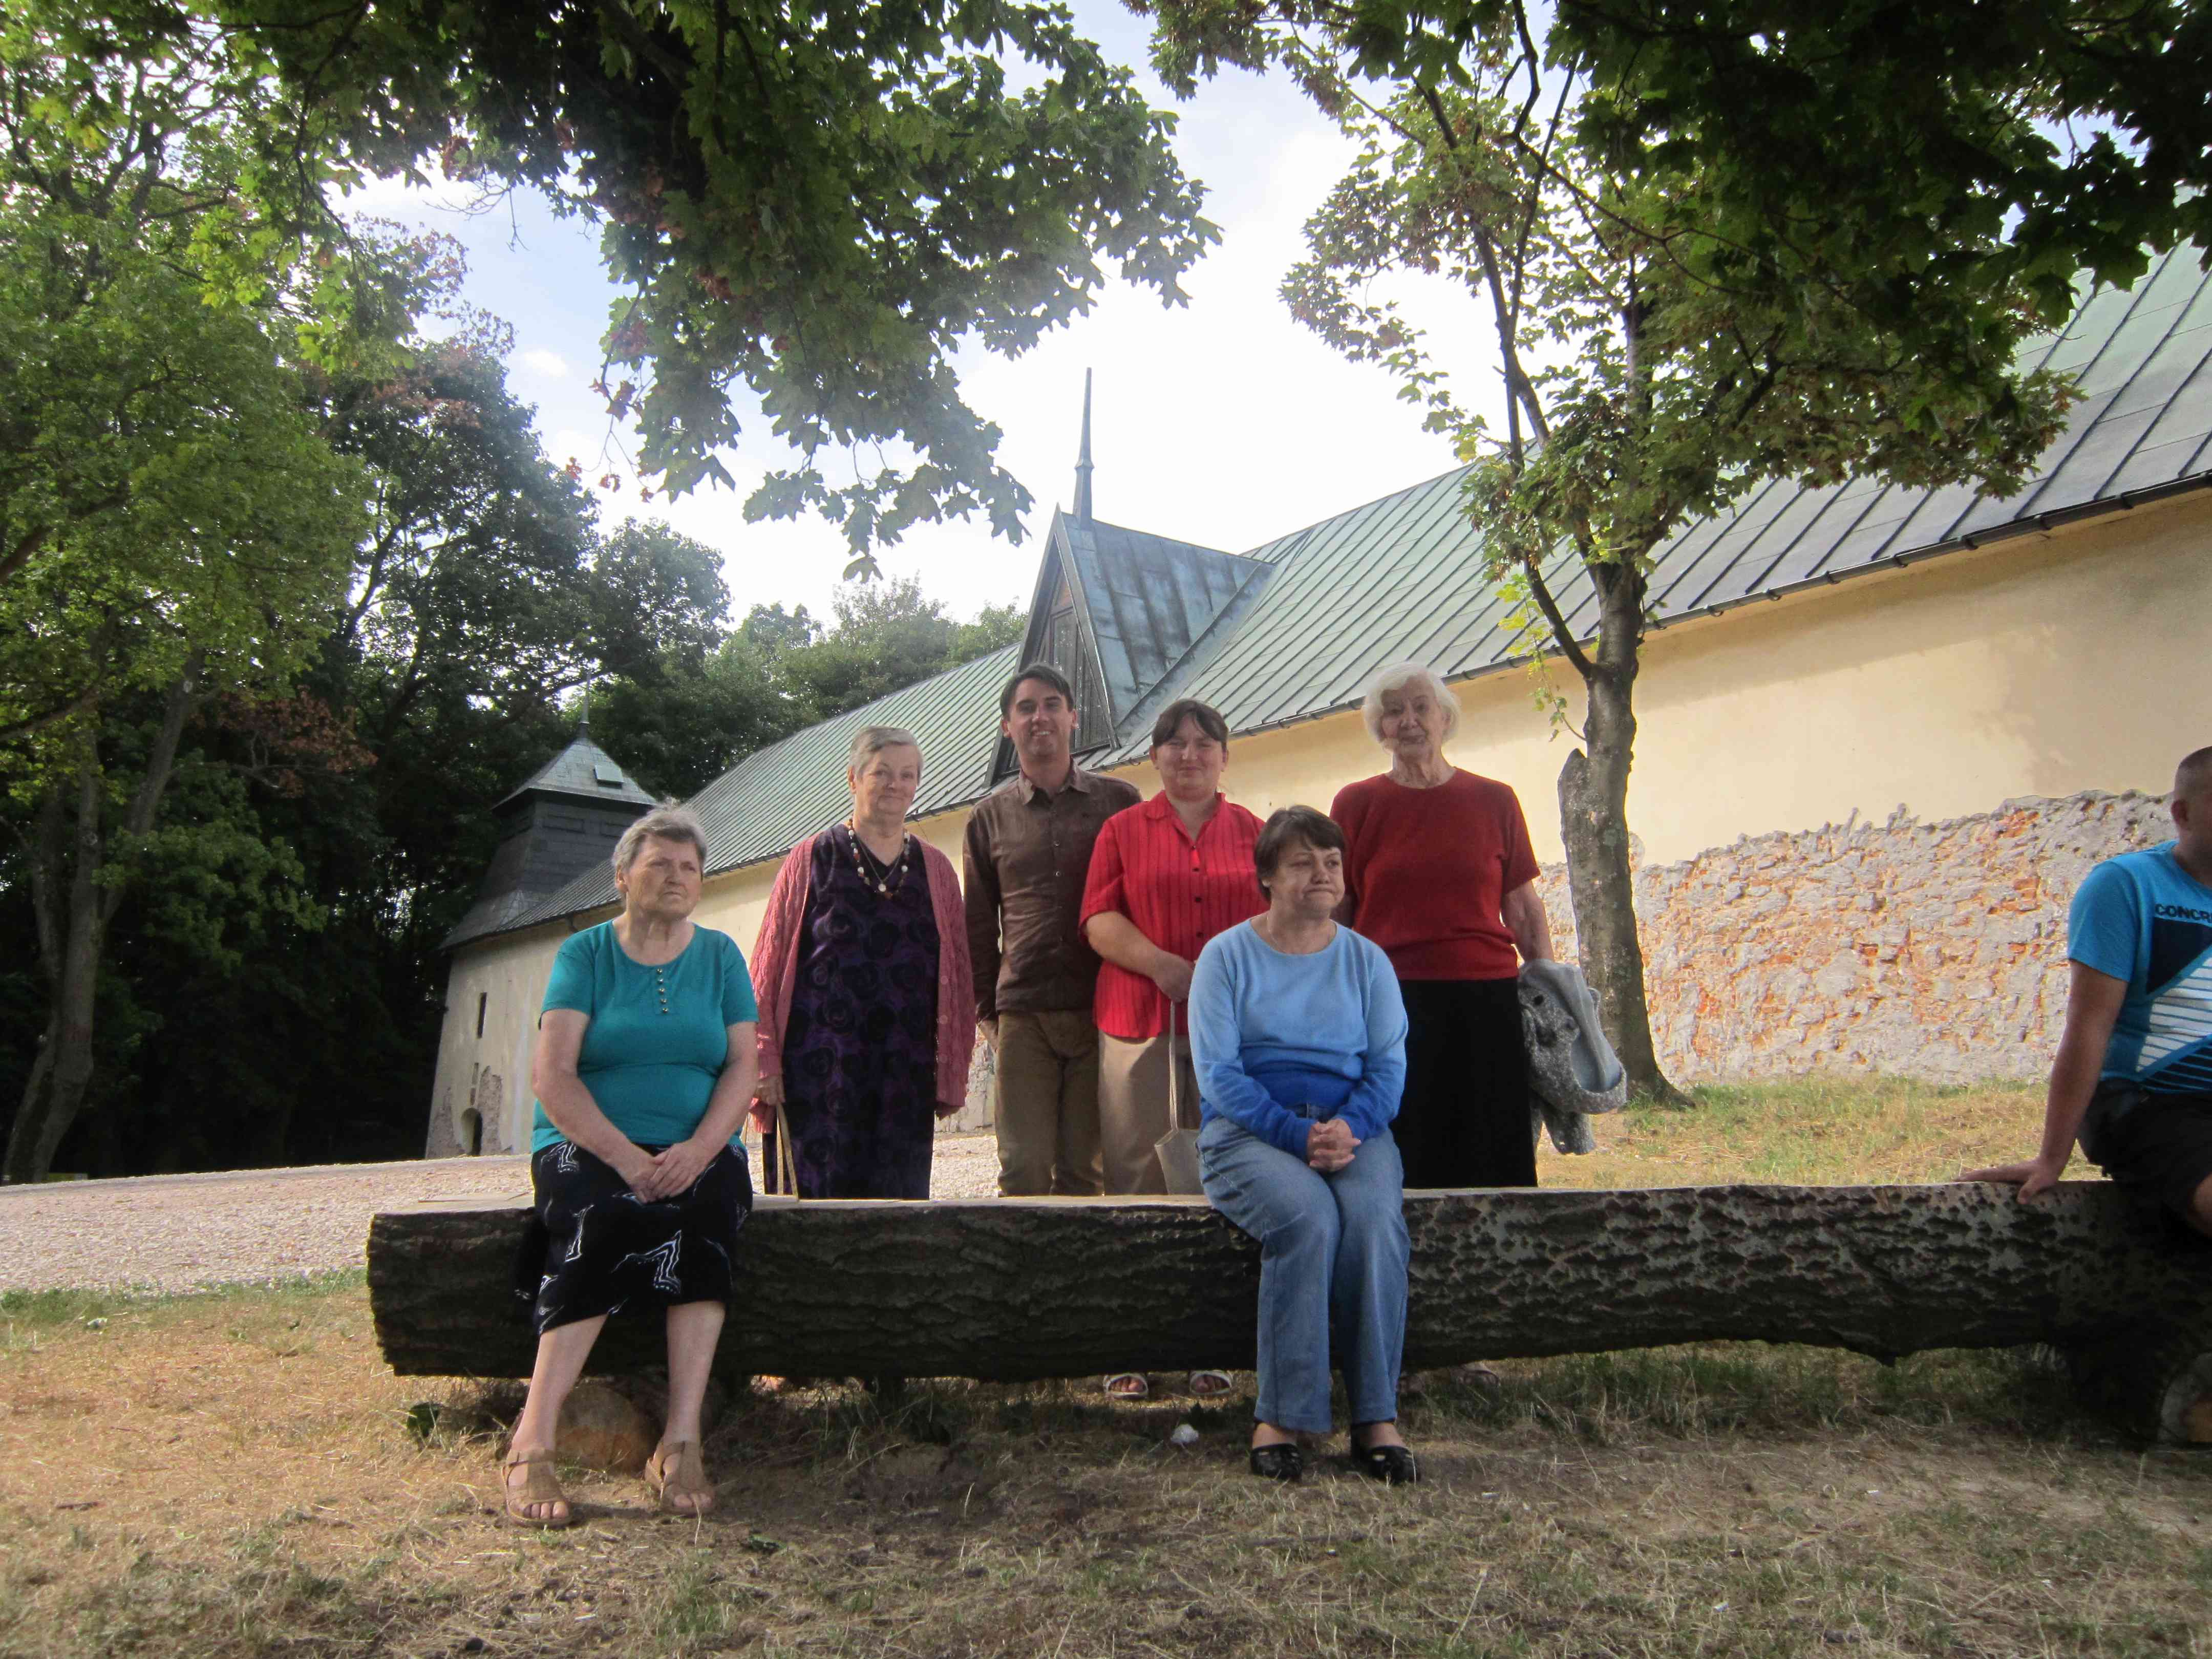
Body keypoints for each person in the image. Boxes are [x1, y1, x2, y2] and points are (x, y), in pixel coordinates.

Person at [504, 806, 758, 1526]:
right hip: (588, 1144)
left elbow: (743, 1066)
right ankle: (533, 1441)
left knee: (707, 1215)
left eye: (689, 867)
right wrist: (625, 1158)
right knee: (604, 1216)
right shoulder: (585, 955)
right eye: (660, 864)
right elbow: (553, 1075)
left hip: (697, 1146)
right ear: (622, 877)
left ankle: (680, 1441)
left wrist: (701, 1149)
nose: (677, 877)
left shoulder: (721, 957)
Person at [1190, 806, 1417, 1484]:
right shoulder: (1225, 957)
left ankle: (1375, 1418)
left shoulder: (1367, 961)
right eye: (1302, 863)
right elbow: (1219, 1074)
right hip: (1248, 1133)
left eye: (1331, 862)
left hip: (1354, 1130)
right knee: (1307, 1217)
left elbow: (1389, 1067)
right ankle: (1282, 1419)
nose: (1322, 874)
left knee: (1374, 1221)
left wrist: (1350, 1127)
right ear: (1267, 876)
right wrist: (1294, 1134)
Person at [1080, 697, 1263, 1401]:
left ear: (1225, 756)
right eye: (1175, 743)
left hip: (1230, 1033)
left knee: (1220, 1175)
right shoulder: (1123, 830)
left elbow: (1275, 923)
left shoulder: (1255, 833)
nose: (1190, 755)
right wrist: (1161, 965)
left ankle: (1208, 1343)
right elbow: (1098, 918)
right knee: (1135, 1177)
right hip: (1139, 1021)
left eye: (1204, 743)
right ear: (1154, 757)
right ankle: (1130, 1341)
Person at [1962, 746, 2212, 1233]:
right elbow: (2089, 1026)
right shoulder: (2126, 886)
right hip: (2148, 1103)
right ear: (2182, 814)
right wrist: (2051, 1158)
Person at [1330, 664, 1554, 1190]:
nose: (1408, 721)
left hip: (1487, 997)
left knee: (1493, 1142)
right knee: (1410, 1144)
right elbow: (1339, 911)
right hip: (1391, 999)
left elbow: (1523, 908)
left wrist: (1550, 988)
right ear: (1379, 728)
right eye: (1393, 711)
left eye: (1420, 707)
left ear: (1445, 718)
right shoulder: (1356, 804)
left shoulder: (1495, 800)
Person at [749, 726, 975, 1198]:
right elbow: (766, 969)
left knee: (897, 1214)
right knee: (816, 1214)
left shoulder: (936, 870)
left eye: (908, 775)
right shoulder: (811, 858)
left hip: (905, 1073)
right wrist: (764, 1061)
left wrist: (952, 1071)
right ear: (853, 779)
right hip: (817, 1072)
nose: (896, 784)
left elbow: (958, 973)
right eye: (882, 773)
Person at [964, 663, 1141, 1195]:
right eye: (1025, 708)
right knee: (1023, 1168)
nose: (1039, 717)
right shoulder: (987, 819)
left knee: (1086, 1172)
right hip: (1024, 1012)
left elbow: (1141, 905)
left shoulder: (1120, 803)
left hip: (1102, 1007)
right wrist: (988, 1015)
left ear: (1073, 718)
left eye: (1051, 705)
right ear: (1007, 727)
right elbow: (978, 925)